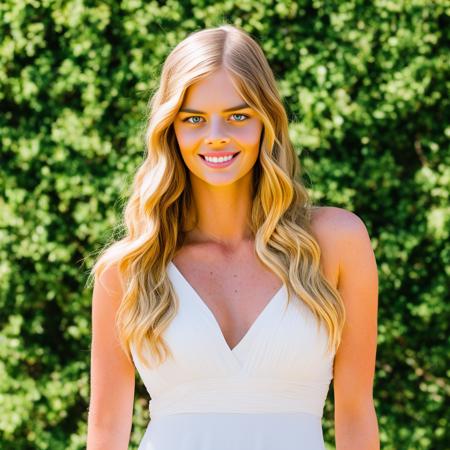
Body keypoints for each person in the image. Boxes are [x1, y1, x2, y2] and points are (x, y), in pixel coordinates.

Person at [86, 24, 380, 450]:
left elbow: (355, 416)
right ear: (172, 129)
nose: (216, 135)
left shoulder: (337, 243)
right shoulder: (130, 267)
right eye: (194, 119)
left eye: (239, 115)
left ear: (267, 122)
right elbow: (105, 432)